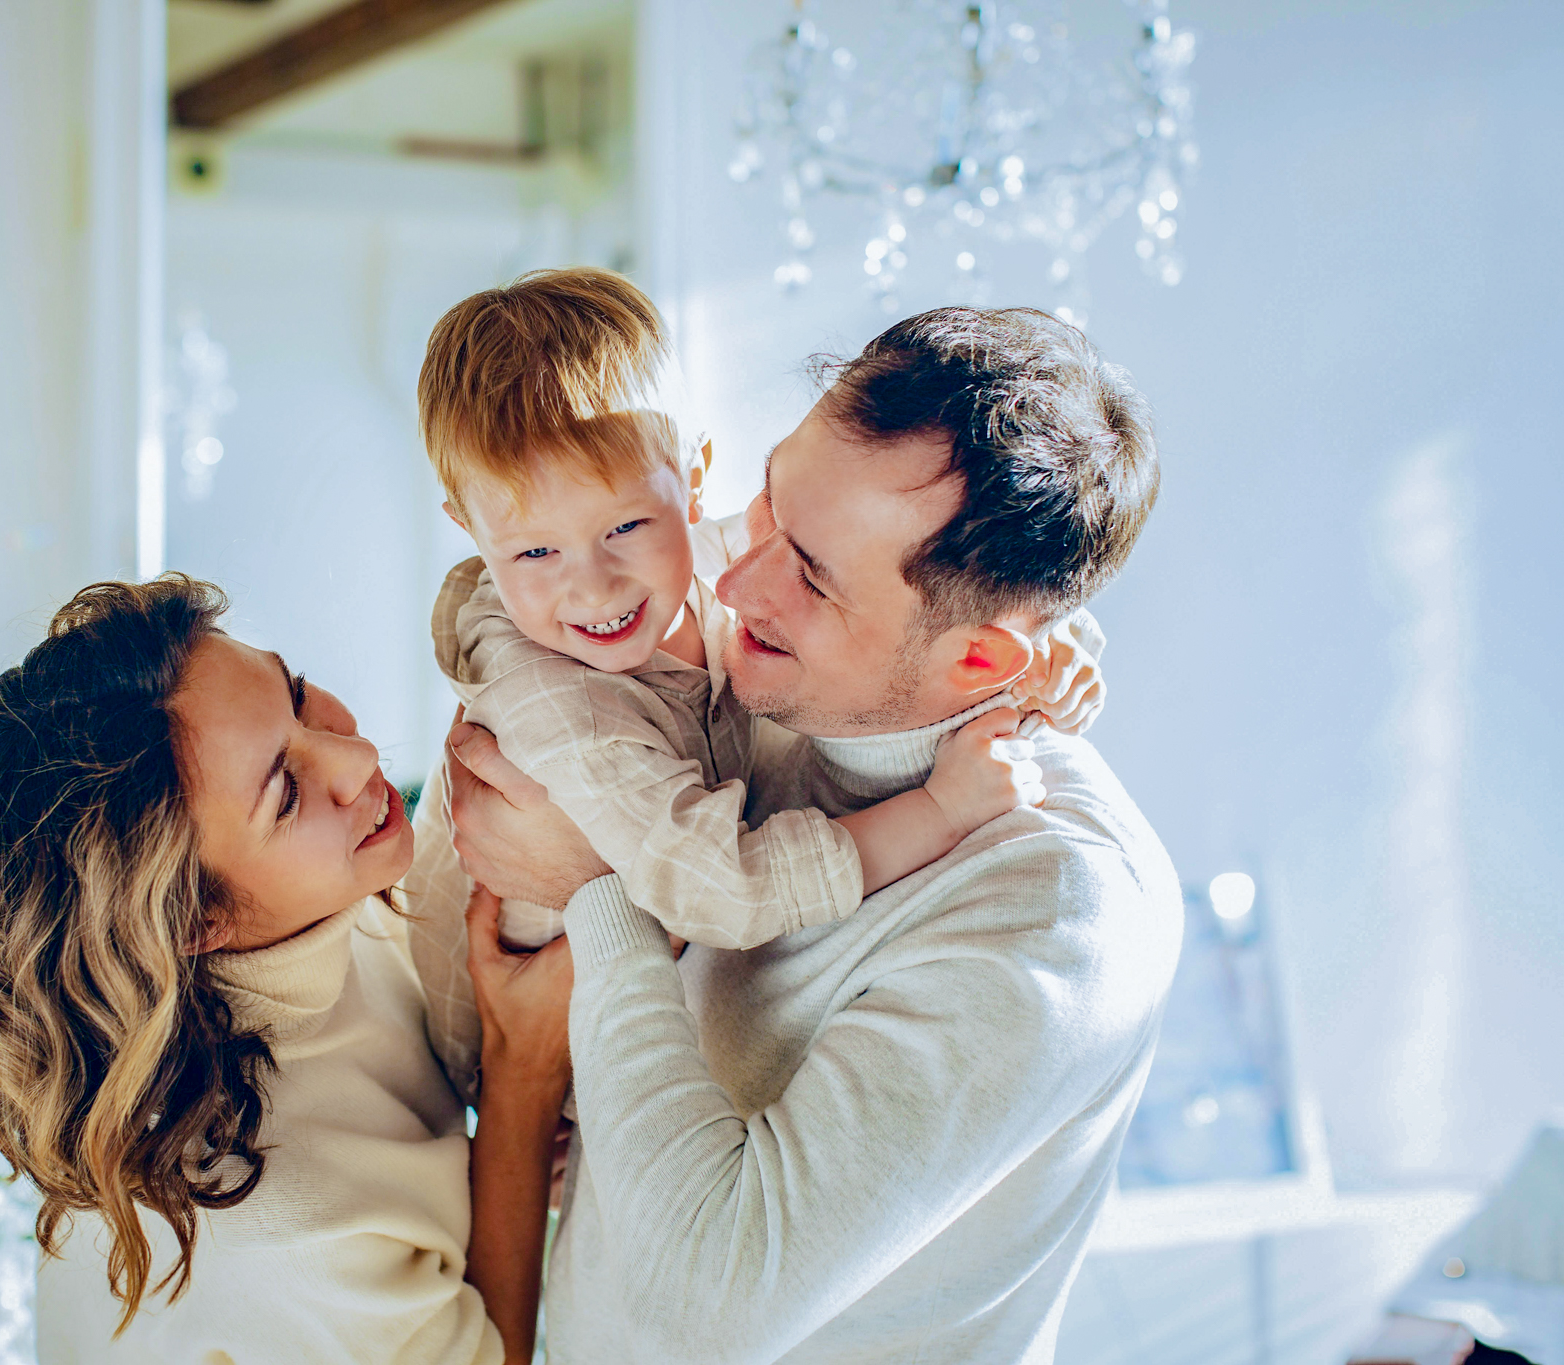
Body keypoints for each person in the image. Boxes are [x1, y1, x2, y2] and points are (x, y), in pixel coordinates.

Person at [445, 306, 1185, 1363]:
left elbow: (702, 1301)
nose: (734, 583)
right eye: (767, 503)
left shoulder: (1055, 912)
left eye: (814, 574)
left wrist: (593, 892)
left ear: (979, 662)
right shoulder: (774, 680)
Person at [406, 268, 1096, 1099]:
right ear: (469, 528)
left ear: (692, 478)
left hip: (628, 989)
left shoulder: (698, 557)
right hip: (512, 1048)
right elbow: (720, 889)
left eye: (626, 525)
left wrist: (1053, 637)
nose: (592, 587)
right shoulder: (557, 705)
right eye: (534, 552)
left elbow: (911, 575)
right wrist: (941, 810)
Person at [0, 577, 571, 1364]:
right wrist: (524, 1076)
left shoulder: (306, 907)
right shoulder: (276, 1221)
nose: (358, 755)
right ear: (197, 920)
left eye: (297, 695)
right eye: (287, 793)